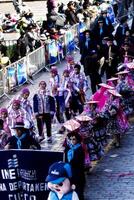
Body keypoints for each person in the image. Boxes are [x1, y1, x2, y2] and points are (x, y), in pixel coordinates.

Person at [65, 131, 85, 200]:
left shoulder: (80, 149)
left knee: (78, 188)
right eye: (70, 139)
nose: (72, 141)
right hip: (70, 171)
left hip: (78, 172)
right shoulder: (68, 148)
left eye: (74, 139)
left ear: (77, 140)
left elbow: (78, 161)